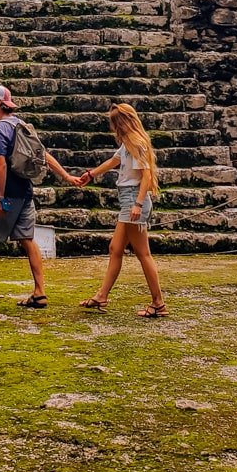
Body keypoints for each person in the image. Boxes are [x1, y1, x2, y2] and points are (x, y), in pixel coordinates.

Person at [0, 84, 79, 309]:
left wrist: (0, 198)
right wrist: (66, 176)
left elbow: (0, 165)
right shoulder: (22, 125)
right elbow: (43, 155)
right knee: (28, 240)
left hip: (9, 192)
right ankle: (39, 292)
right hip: (26, 191)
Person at [77, 102, 167, 317]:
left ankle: (158, 303)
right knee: (115, 248)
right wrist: (90, 175)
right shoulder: (127, 143)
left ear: (126, 121)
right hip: (128, 199)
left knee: (143, 253)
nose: (115, 127)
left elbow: (146, 176)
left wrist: (137, 203)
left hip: (133, 198)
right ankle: (102, 295)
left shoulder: (136, 142)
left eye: (117, 122)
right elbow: (113, 161)